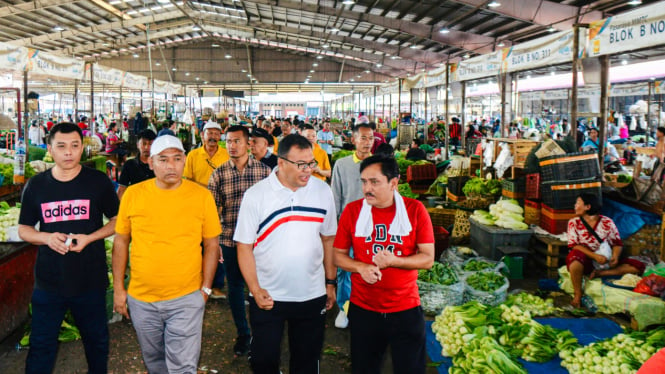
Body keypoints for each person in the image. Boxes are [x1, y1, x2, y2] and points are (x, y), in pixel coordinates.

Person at [112, 135, 222, 373]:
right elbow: (121, 242)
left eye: (177, 159)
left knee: (182, 366)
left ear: (185, 161)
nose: (171, 166)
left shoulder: (201, 196)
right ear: (150, 163)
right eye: (163, 160)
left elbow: (212, 245)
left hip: (186, 298)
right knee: (155, 362)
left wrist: (205, 289)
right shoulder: (133, 195)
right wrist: (120, 289)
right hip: (142, 299)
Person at [18, 122, 119, 373]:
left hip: (90, 281)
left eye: (75, 146)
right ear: (50, 149)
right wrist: (46, 238)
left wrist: (90, 237)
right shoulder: (36, 185)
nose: (69, 152)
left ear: (82, 148)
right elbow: (24, 229)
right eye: (61, 146)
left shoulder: (97, 182)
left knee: (96, 343)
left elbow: (118, 221)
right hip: (49, 282)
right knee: (41, 346)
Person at [234, 134, 338, 373]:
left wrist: (330, 282)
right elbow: (244, 246)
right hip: (269, 296)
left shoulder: (322, 191)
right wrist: (255, 288)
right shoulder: (257, 195)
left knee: (307, 360)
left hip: (311, 294)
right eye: (301, 164)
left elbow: (328, 239)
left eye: (311, 163)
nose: (308, 170)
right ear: (281, 163)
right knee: (264, 360)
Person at [333, 154, 434, 374]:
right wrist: (361, 267)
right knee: (364, 368)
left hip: (405, 308)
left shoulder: (415, 210)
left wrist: (394, 261)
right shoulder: (352, 211)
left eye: (374, 182)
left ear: (394, 183)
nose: (367, 188)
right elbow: (338, 256)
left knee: (410, 369)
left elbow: (427, 258)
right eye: (364, 181)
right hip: (364, 309)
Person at [208, 125, 271, 356]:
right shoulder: (219, 174)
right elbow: (212, 212)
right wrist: (216, 243)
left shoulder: (265, 172)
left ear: (248, 144)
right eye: (229, 141)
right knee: (234, 286)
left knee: (261, 286)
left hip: (260, 242)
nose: (232, 146)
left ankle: (263, 332)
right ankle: (243, 334)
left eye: (236, 141)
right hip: (231, 239)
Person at [330, 123, 374, 329]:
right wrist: (336, 225)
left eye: (371, 138)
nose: (367, 142)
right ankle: (345, 308)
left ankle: (369, 307)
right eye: (363, 138)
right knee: (345, 269)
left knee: (372, 265)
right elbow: (335, 197)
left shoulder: (380, 165)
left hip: (374, 226)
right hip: (348, 225)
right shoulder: (342, 165)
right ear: (354, 139)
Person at [566, 193, 645, 308]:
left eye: (578, 203)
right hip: (586, 260)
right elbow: (574, 245)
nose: (575, 206)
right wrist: (594, 256)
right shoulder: (574, 223)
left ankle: (601, 274)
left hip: (604, 261)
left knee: (638, 266)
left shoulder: (607, 222)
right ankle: (578, 294)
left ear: (588, 207)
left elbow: (617, 243)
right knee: (574, 258)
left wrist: (615, 256)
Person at [117, 129, 157, 200]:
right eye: (144, 143)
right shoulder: (129, 165)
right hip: (135, 204)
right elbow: (122, 189)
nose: (146, 147)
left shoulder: (159, 165)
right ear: (138, 145)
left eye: (150, 144)